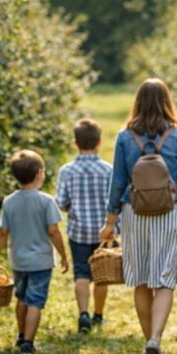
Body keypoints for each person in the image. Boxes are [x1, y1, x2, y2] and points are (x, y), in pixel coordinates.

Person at [100, 79, 177, 354]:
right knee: (165, 276)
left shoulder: (125, 136)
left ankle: (148, 342)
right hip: (169, 212)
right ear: (167, 101)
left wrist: (109, 221)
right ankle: (155, 338)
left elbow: (117, 183)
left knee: (141, 277)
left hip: (133, 212)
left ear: (137, 101)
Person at [0, 150, 70, 354]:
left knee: (22, 298)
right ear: (39, 174)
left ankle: (21, 334)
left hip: (18, 261)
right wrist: (63, 255)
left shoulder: (9, 201)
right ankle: (28, 344)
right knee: (36, 302)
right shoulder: (46, 201)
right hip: (40, 262)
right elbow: (53, 231)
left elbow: (2, 232)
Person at [55, 118, 114, 333]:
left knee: (81, 274)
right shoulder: (109, 170)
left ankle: (83, 315)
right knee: (101, 276)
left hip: (78, 233)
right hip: (104, 233)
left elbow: (60, 203)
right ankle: (98, 315)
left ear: (74, 143)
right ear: (99, 142)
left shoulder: (67, 171)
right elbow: (115, 202)